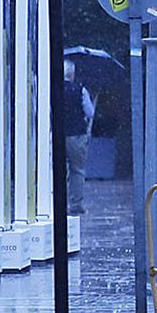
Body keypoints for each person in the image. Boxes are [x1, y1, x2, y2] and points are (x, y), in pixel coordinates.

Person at [62, 60, 94, 214]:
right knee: (77, 170)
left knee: (57, 170)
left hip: (57, 135)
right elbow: (90, 113)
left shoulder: (51, 88)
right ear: (72, 74)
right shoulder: (80, 90)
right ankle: (76, 204)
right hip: (77, 135)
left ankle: (55, 202)